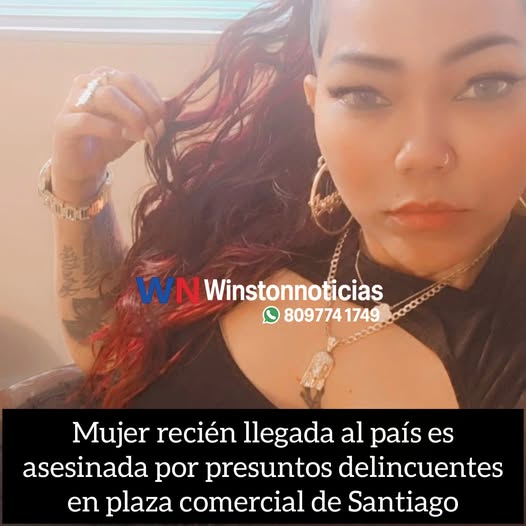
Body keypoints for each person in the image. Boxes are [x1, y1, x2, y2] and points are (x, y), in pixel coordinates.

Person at [21, 0, 526, 411]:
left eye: (487, 85)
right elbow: (109, 351)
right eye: (363, 93)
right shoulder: (257, 210)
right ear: (315, 104)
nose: (422, 153)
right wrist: (79, 183)